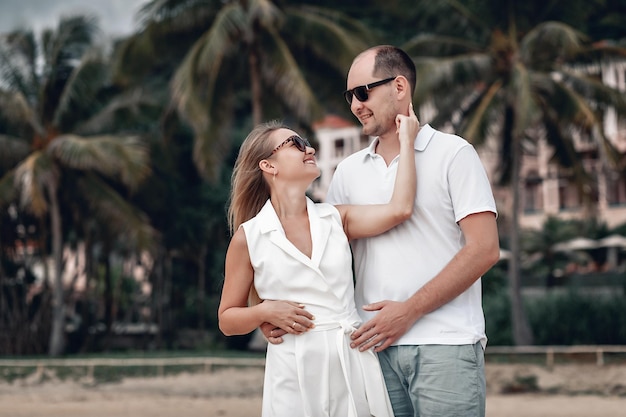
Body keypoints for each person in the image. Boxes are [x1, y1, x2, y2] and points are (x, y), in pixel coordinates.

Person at [265, 45, 500, 416]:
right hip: (369, 351)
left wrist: (409, 310)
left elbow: (484, 249)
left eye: (363, 92)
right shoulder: (347, 172)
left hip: (445, 344)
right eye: (349, 97)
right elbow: (324, 260)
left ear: (400, 87)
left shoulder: (454, 154)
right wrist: (273, 313)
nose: (356, 105)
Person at [218, 104, 419, 417]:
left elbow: (401, 209)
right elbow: (227, 319)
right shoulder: (249, 236)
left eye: (306, 142)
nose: (309, 148)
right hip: (292, 370)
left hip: (351, 360)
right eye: (296, 144)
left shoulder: (337, 218)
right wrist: (264, 311)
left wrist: (407, 142)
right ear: (268, 166)